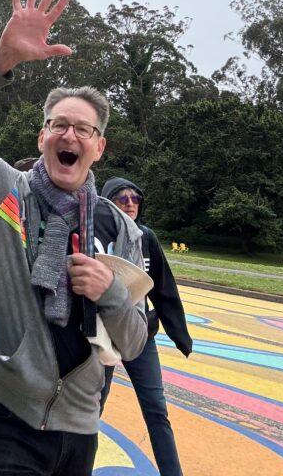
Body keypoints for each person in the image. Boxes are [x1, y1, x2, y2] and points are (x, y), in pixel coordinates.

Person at [0, 0, 148, 476]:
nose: (70, 135)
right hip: (2, 411)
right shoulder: (5, 191)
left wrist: (110, 290)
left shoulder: (121, 229)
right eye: (59, 125)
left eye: (84, 129)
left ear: (99, 147)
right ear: (43, 136)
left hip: (80, 425)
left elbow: (134, 342)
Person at [99, 177, 192, 476]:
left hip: (139, 336)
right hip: (102, 336)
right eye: (121, 198)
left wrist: (179, 333)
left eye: (135, 198)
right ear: (106, 202)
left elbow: (163, 288)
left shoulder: (147, 238)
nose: (129, 203)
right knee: (91, 406)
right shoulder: (95, 233)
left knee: (156, 409)